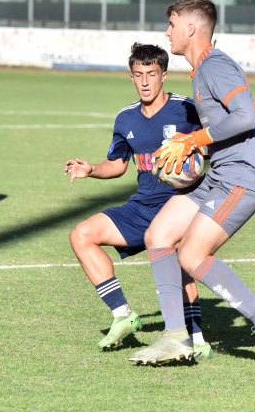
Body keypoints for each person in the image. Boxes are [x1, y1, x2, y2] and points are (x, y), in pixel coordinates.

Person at [126, 0, 255, 370]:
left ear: (190, 28)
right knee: (159, 235)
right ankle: (175, 336)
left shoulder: (215, 65)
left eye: (171, 24)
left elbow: (246, 117)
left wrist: (193, 140)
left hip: (245, 176)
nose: (167, 32)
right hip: (218, 175)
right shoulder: (201, 70)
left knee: (192, 255)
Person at [65, 43, 212, 359]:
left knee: (178, 260)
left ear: (164, 75)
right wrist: (90, 169)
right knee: (81, 235)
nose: (145, 81)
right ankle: (122, 314)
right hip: (142, 206)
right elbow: (118, 165)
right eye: (138, 74)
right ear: (131, 76)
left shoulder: (186, 110)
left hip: (180, 205)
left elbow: (214, 145)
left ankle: (196, 337)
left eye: (151, 74)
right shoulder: (126, 118)